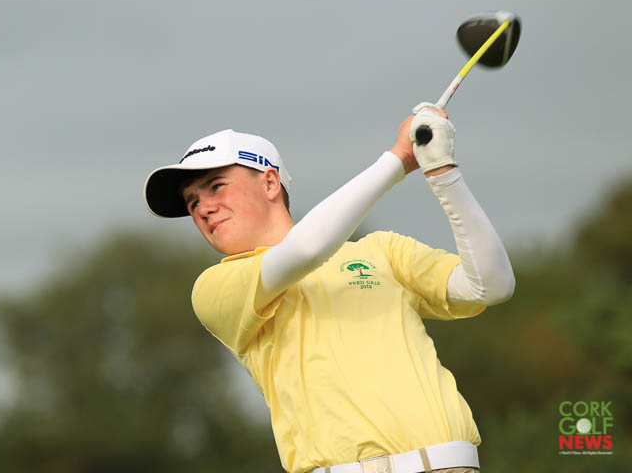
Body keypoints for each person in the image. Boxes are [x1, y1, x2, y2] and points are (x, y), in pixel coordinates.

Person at [144, 103, 515, 473]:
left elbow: (491, 285)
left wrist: (441, 171)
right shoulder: (215, 288)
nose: (203, 208)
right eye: (193, 201)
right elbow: (306, 249)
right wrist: (398, 160)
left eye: (216, 187)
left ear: (270, 183)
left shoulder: (382, 250)